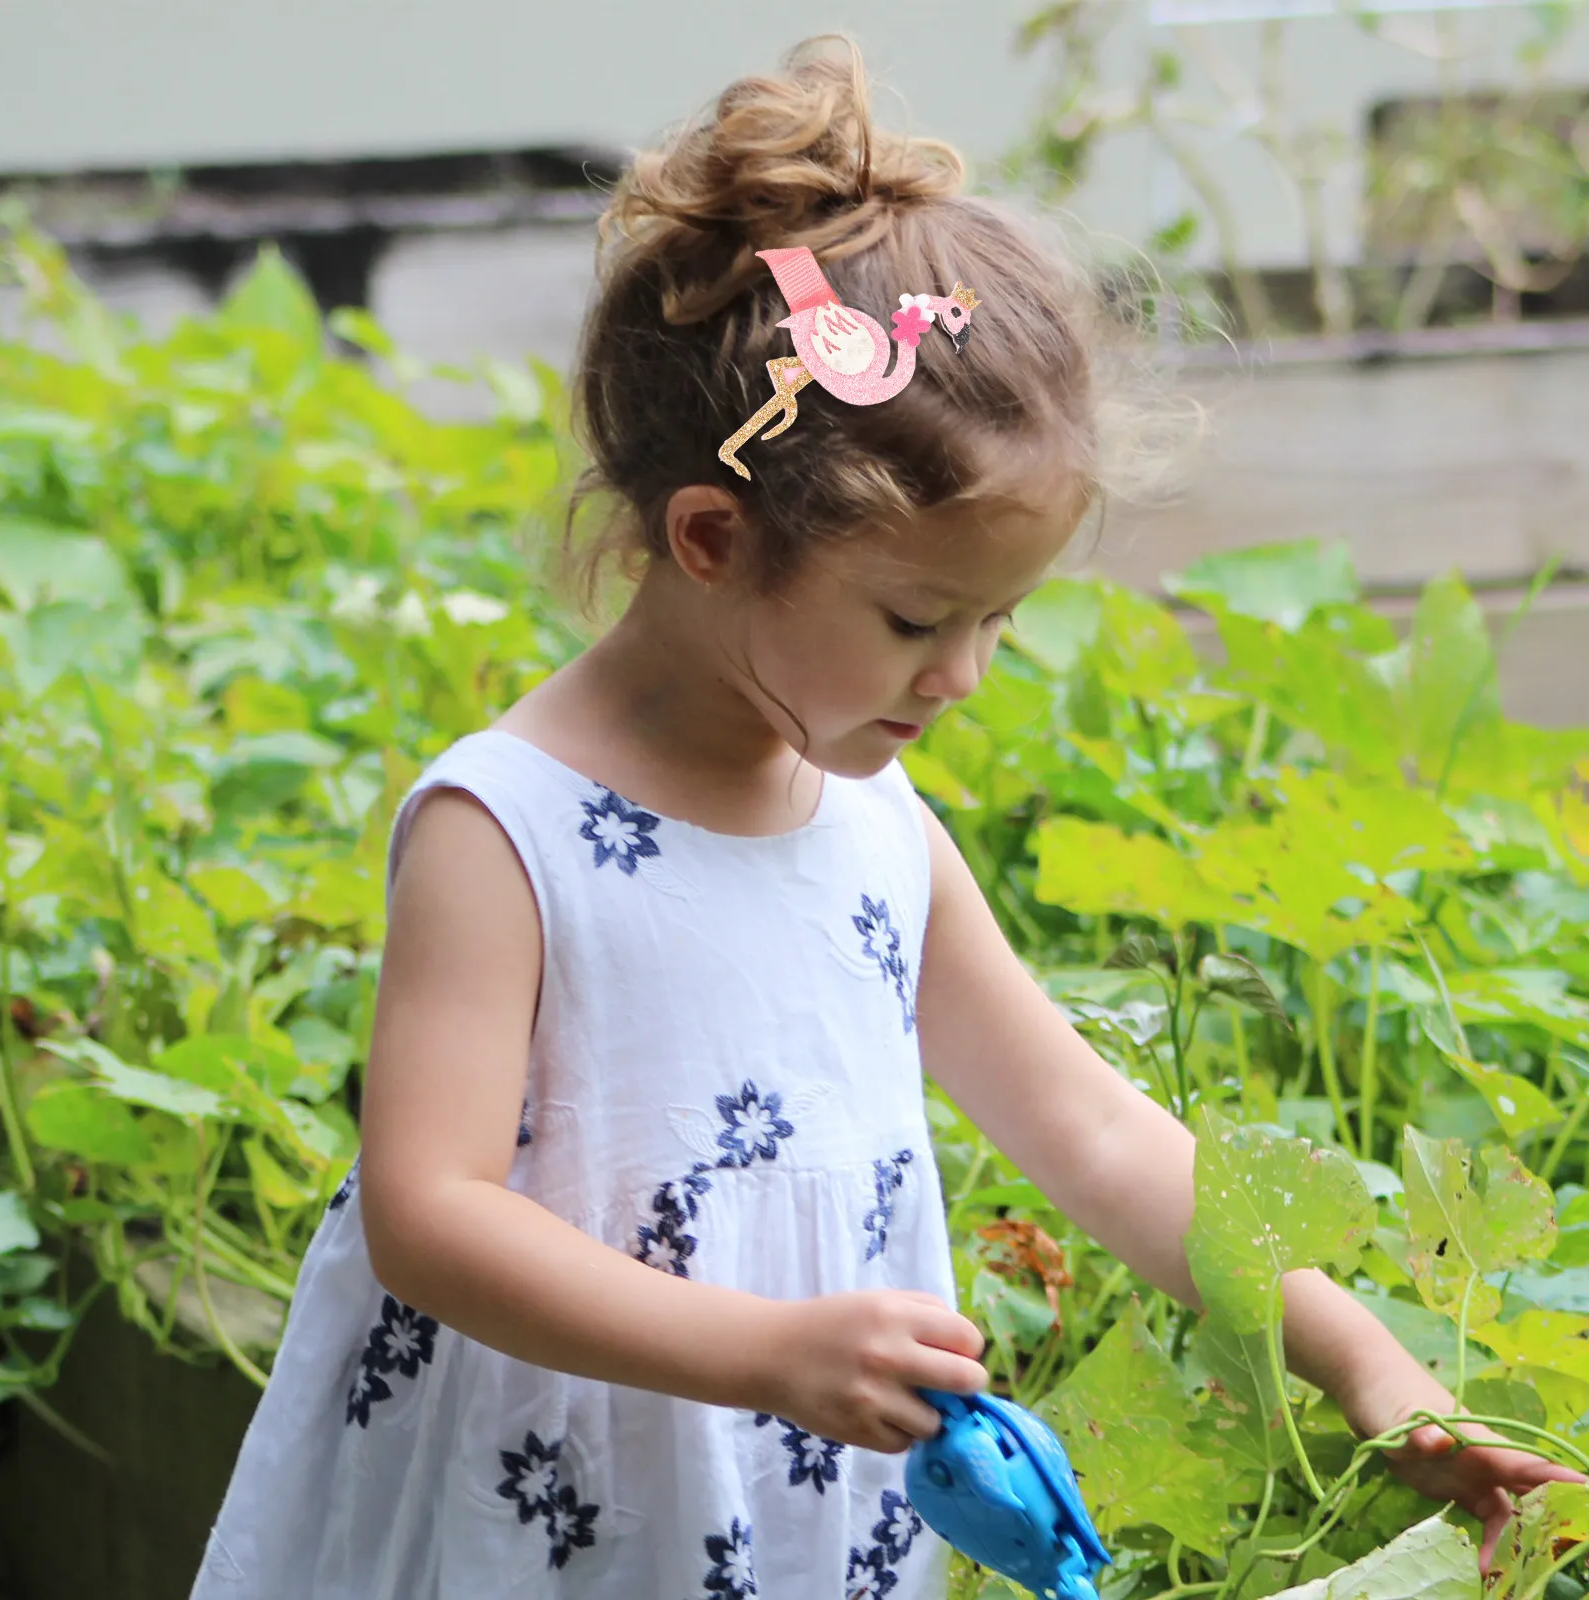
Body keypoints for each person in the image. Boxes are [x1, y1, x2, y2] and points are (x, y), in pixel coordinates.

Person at [191, 35, 1575, 1600]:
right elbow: (426, 1219)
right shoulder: (508, 829)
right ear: (711, 536)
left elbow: (1100, 1136)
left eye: (998, 621)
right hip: (572, 1505)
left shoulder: (874, 831)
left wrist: (1368, 1365)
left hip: (796, 1499)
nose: (965, 674)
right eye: (922, 620)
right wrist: (763, 1351)